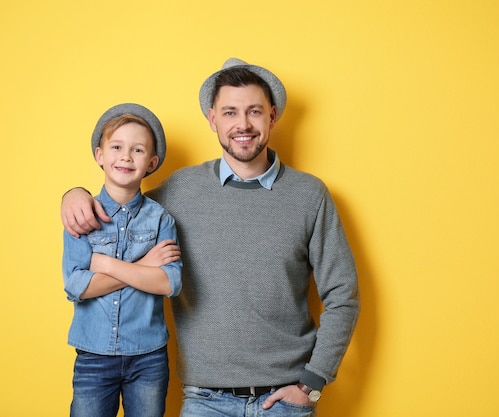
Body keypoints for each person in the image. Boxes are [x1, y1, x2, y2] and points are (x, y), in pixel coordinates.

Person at [61, 58, 359, 417]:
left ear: (273, 117)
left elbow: (343, 293)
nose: (243, 124)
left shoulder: (310, 195)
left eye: (254, 112)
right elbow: (121, 198)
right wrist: (75, 194)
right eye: (230, 112)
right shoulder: (180, 191)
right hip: (206, 401)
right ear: (213, 119)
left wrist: (312, 384)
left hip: (285, 400)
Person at [62, 103, 183, 417]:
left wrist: (105, 265)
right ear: (100, 155)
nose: (126, 156)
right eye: (117, 146)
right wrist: (144, 267)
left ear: (152, 163)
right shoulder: (80, 216)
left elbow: (170, 282)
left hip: (148, 357)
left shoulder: (160, 220)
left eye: (138, 150)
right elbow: (76, 285)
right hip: (93, 355)